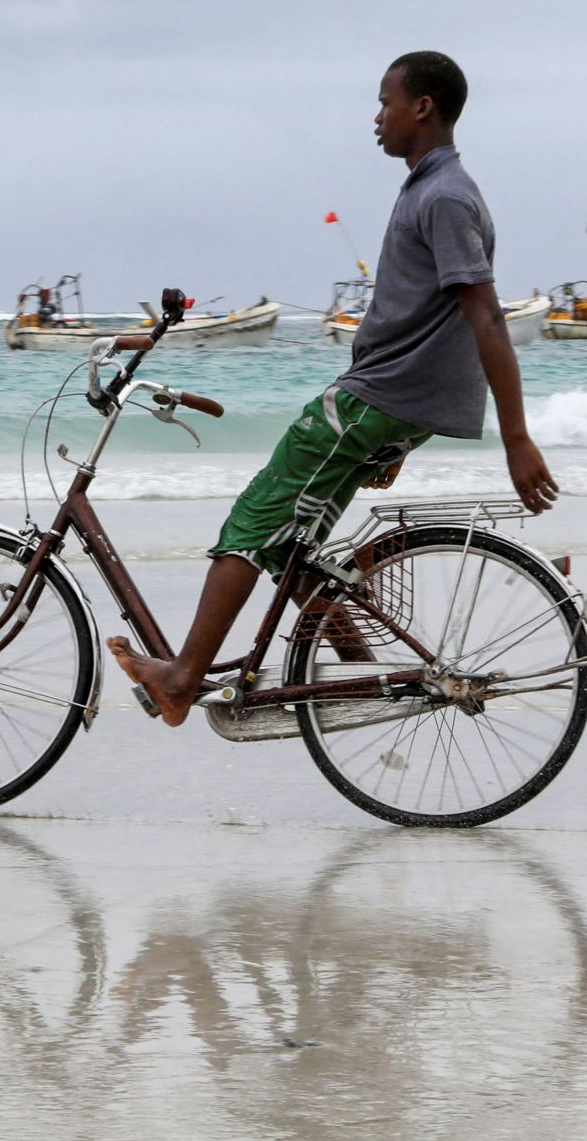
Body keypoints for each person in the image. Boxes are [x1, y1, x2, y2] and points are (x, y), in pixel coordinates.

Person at [107, 50, 558, 725]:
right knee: (293, 540)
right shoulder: (431, 187)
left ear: (422, 108)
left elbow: (486, 317)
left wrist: (515, 438)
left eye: (385, 102)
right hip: (389, 399)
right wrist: (404, 425)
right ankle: (348, 676)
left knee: (251, 524)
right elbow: (434, 321)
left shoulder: (444, 196)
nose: (377, 117)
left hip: (375, 396)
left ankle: (181, 677)